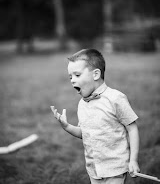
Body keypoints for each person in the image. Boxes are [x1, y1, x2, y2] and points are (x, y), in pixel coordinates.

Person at [51, 49, 140, 184]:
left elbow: (132, 129)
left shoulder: (115, 98)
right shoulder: (82, 104)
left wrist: (133, 160)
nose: (72, 80)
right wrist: (67, 126)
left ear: (96, 74)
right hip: (93, 168)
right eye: (70, 77)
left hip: (115, 167)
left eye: (77, 75)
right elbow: (84, 133)